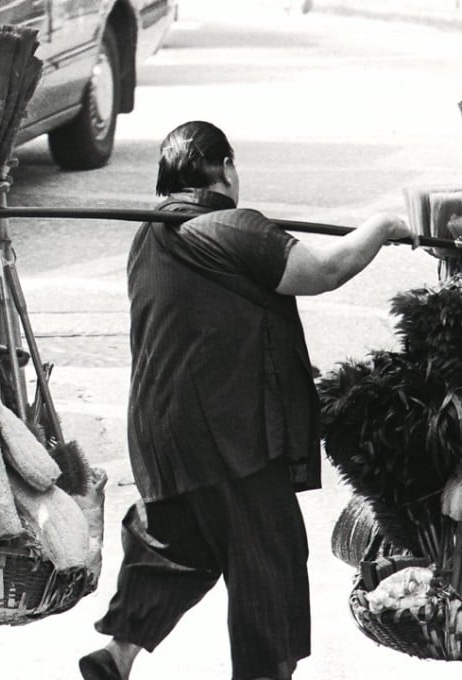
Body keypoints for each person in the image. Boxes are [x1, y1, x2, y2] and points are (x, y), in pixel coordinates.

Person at [79, 121, 414, 680]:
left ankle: (118, 654)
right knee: (269, 564)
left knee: (176, 543)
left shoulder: (148, 237)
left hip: (161, 430)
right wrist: (382, 226)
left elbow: (210, 320)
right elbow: (324, 271)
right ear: (225, 167)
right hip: (230, 433)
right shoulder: (237, 227)